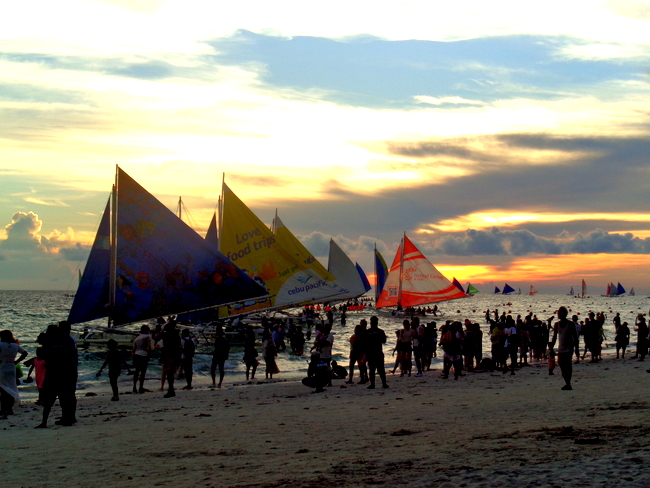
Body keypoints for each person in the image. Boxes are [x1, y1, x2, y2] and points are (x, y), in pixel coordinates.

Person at [36, 321, 79, 428]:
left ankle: (46, 421)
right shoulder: (68, 341)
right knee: (65, 397)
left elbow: (43, 356)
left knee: (50, 399)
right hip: (65, 372)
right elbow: (73, 358)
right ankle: (67, 418)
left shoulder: (52, 341)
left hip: (54, 373)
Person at [0, 330, 28, 420]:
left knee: (3, 389)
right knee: (12, 387)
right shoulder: (15, 345)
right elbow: (25, 353)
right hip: (12, 367)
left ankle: (4, 409)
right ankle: (10, 408)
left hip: (2, 367)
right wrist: (16, 362)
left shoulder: (1, 345)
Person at [550, 306, 579, 391]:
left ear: (563, 314)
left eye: (559, 313)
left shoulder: (570, 324)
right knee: (561, 365)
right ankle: (567, 382)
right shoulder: (556, 324)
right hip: (561, 348)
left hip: (569, 348)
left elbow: (575, 337)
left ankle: (568, 383)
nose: (558, 314)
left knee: (568, 365)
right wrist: (551, 348)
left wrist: (576, 348)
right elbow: (554, 337)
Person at [157, 320, 182, 398]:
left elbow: (156, 337)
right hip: (173, 354)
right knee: (170, 373)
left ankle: (171, 389)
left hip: (168, 353)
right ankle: (171, 389)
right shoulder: (176, 334)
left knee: (169, 373)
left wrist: (162, 330)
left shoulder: (166, 334)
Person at [365, 316, 388, 389]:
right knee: (378, 369)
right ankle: (382, 384)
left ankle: (376, 384)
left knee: (375, 369)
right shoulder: (379, 331)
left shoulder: (369, 332)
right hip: (375, 352)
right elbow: (384, 341)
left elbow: (365, 343)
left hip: (374, 352)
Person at [131, 325, 152, 394]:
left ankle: (134, 387)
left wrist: (133, 358)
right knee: (143, 372)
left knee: (137, 372)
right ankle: (140, 387)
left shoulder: (137, 338)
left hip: (137, 355)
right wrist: (149, 354)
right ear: (146, 330)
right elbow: (149, 347)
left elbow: (133, 350)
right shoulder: (147, 337)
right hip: (143, 355)